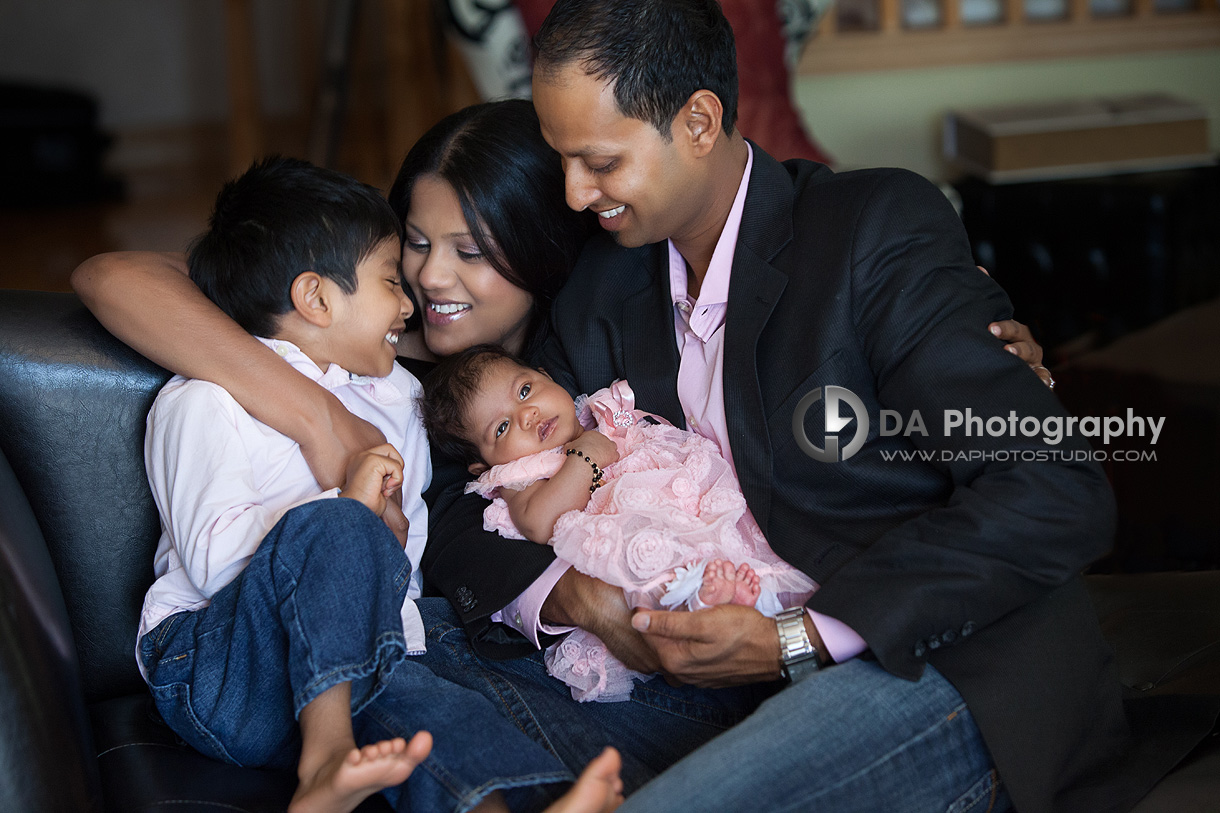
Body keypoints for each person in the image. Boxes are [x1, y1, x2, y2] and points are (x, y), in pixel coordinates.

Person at [71, 99, 1051, 799]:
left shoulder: (618, 334)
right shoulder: (381, 342)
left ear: (543, 247)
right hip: (471, 641)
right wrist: (318, 417)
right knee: (421, 678)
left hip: (750, 639)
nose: (428, 277)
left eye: (470, 249)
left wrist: (970, 345)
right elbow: (119, 275)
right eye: (411, 241)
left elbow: (804, 371)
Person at [137, 155, 626, 813]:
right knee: (343, 542)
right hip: (220, 666)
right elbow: (214, 562)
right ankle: (326, 755)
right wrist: (351, 514)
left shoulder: (396, 396)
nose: (409, 302)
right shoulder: (206, 400)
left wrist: (387, 533)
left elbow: (404, 553)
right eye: (392, 280)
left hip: (353, 661)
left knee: (427, 705)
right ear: (315, 298)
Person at [421, 344, 816, 701]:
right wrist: (585, 457)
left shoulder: (602, 412)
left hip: (680, 513)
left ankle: (753, 599)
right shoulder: (519, 474)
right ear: (484, 465)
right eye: (502, 428)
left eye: (525, 391)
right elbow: (540, 521)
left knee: (733, 544)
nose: (527, 415)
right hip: (627, 552)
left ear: (545, 375)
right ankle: (696, 604)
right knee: (645, 571)